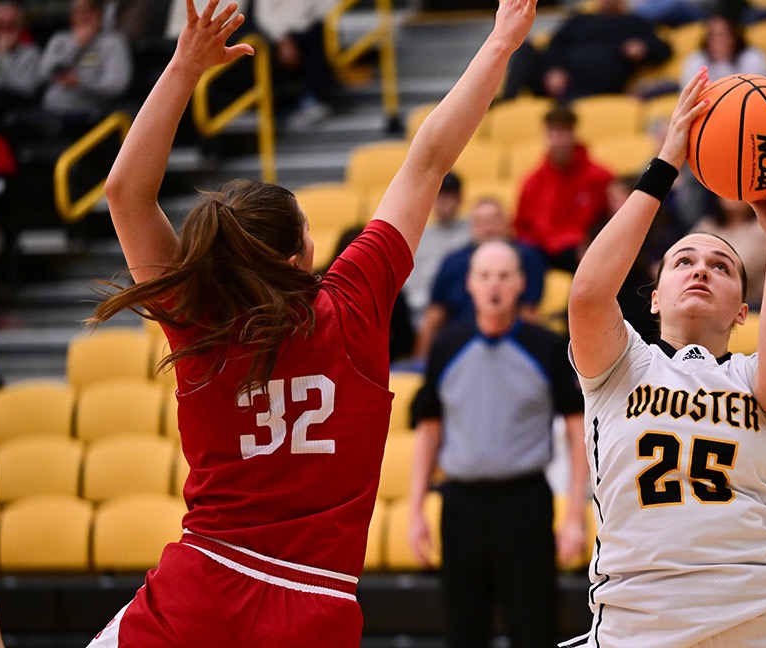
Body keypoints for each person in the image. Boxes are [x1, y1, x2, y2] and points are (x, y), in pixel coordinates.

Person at [85, 0, 536, 644]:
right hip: (315, 608)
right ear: (307, 253)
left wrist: (184, 66)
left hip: (201, 593)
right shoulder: (352, 302)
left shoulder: (198, 315)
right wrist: (500, 42)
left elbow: (125, 193)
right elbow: (429, 158)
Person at [564, 68, 766, 646]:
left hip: (765, 620)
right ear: (654, 299)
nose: (702, 267)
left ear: (741, 310)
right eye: (683, 261)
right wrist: (666, 168)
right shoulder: (621, 365)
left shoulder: (753, 376)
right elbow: (586, 295)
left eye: (722, 266)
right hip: (641, 621)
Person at [408, 239, 588, 648]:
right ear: (469, 284)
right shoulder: (446, 346)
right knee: (463, 632)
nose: (495, 285)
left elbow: (578, 431)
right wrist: (416, 510)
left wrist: (575, 514)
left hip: (525, 505)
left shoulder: (546, 347)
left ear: (521, 283)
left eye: (505, 276)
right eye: (485, 276)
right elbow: (429, 429)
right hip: (459, 506)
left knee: (535, 628)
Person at [414, 196, 546, 359]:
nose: (488, 228)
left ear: (507, 222)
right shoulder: (453, 260)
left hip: (511, 337)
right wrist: (420, 359)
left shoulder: (526, 256)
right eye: (481, 222)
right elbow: (434, 314)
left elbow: (528, 312)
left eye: (494, 220)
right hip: (459, 340)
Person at [502, 0, 671, 101]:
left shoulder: (634, 23)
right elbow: (554, 45)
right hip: (558, 82)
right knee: (526, 48)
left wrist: (644, 46)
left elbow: (665, 50)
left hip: (599, 87)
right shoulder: (580, 19)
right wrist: (553, 69)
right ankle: (507, 104)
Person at [513, 103, 613, 272]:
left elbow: (611, 219)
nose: (558, 140)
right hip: (541, 251)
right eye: (553, 133)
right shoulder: (532, 181)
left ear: (574, 133)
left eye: (563, 132)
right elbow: (521, 227)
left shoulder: (599, 177)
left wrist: (590, 242)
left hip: (582, 250)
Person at [38, 0, 133, 132]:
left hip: (90, 113)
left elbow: (116, 86)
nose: (84, 16)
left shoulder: (114, 43)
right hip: (52, 110)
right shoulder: (59, 39)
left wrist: (81, 83)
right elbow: (43, 74)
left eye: (89, 11)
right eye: (78, 12)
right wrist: (76, 46)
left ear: (100, 14)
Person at [250, 0, 338, 128]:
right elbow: (264, 16)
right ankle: (274, 110)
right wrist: (282, 40)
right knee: (257, 47)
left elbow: (328, 8)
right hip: (276, 36)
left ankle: (312, 99)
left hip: (309, 30)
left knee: (319, 35)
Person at [402, 171, 472, 327]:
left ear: (459, 199)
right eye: (438, 195)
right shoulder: (418, 234)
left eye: (447, 195)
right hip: (422, 311)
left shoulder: (473, 230)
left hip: (462, 307)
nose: (442, 201)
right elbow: (410, 282)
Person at [692, 196, 766, 309]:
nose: (731, 196)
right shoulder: (708, 225)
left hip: (747, 302)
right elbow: (683, 254)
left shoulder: (761, 229)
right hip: (705, 294)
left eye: (737, 192)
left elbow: (738, 269)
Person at [0, 1, 42, 127]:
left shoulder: (31, 53)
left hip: (18, 109)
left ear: (19, 27)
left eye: (10, 26)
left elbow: (24, 89)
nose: (4, 31)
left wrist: (3, 56)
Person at [679, 14, 766, 87]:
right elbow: (689, 99)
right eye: (713, 35)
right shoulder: (695, 61)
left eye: (723, 35)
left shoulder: (753, 58)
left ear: (734, 37)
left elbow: (758, 91)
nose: (718, 41)